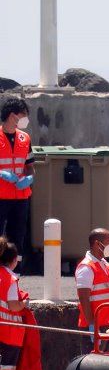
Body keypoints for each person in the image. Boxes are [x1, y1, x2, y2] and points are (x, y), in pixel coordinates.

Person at [0, 98, 34, 271]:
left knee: (18, 238)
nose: (26, 119)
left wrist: (28, 179)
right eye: (24, 116)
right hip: (1, 196)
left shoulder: (25, 138)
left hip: (21, 197)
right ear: (13, 116)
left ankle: (15, 276)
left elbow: (30, 167)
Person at [75, 228, 109, 334]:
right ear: (97, 244)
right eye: (108, 243)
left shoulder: (106, 265)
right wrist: (92, 325)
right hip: (97, 326)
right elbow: (83, 299)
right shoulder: (86, 267)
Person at [0, 237, 25, 370]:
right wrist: (24, 303)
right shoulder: (10, 279)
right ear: (14, 260)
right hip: (8, 334)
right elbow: (14, 306)